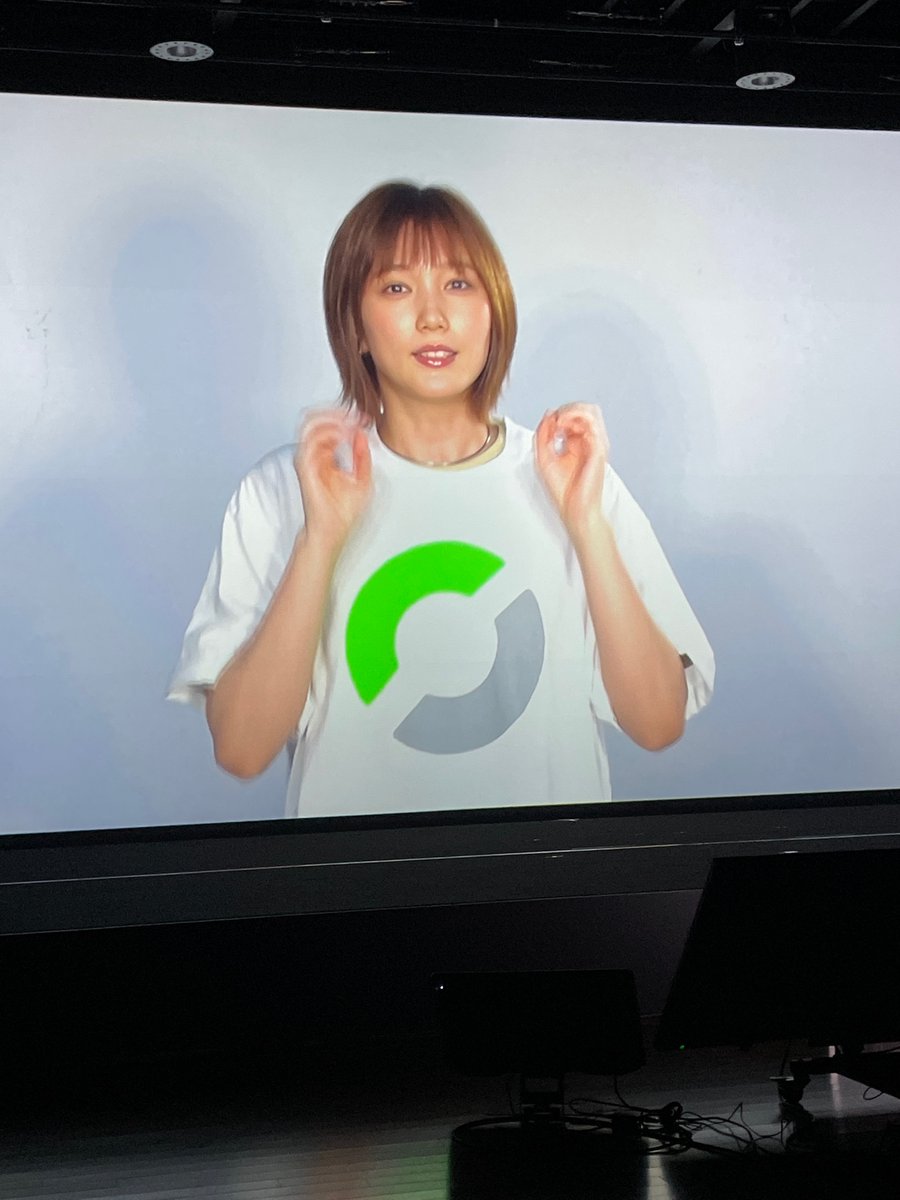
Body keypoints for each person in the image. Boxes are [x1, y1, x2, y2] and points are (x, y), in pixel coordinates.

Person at [168, 181, 714, 816]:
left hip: (545, 870)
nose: (432, 316)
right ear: (355, 326)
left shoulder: (572, 479)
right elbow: (241, 749)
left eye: (458, 283)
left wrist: (588, 526)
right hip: (360, 872)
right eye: (397, 288)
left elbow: (657, 722)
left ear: (494, 311)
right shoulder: (284, 490)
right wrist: (320, 539)